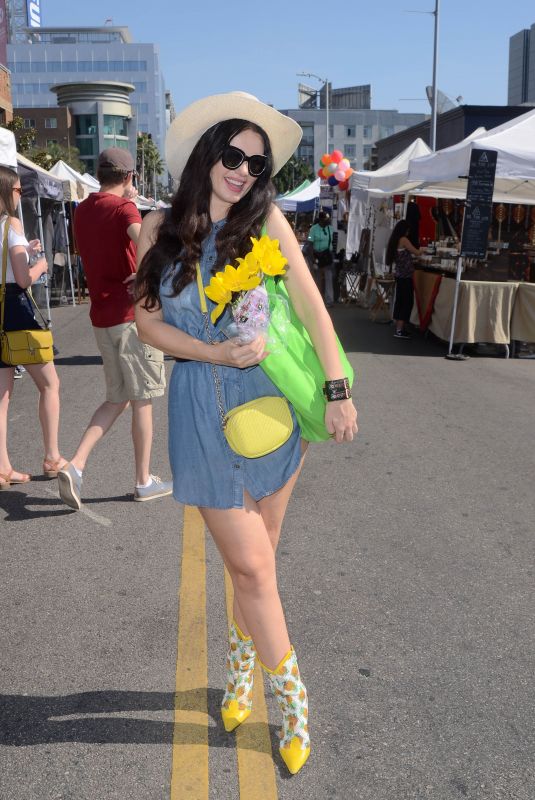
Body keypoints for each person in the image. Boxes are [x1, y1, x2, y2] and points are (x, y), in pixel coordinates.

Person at [134, 91, 358, 776]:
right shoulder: (156, 229)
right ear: (207, 155)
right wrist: (211, 353)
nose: (242, 171)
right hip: (201, 409)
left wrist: (337, 388)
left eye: (256, 165)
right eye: (233, 155)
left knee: (251, 568)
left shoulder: (268, 225)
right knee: (254, 569)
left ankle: (239, 680)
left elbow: (315, 308)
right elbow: (146, 324)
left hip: (269, 413)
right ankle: (292, 703)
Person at [57, 148, 171, 510]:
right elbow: (146, 241)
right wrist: (148, 271)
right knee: (143, 400)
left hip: (102, 317)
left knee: (116, 398)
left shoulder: (84, 210)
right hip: (132, 317)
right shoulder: (125, 210)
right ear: (129, 177)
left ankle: (75, 465)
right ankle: (143, 480)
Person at [0, 166, 66, 489]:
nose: (20, 195)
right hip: (14, 308)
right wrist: (39, 264)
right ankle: (52, 456)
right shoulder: (10, 224)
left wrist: (28, 250)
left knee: (2, 395)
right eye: (17, 191)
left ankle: (2, 467)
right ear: (6, 192)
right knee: (50, 384)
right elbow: (23, 278)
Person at [385, 219, 423, 339]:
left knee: (400, 301)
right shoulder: (404, 240)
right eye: (407, 230)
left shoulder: (395, 240)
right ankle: (400, 329)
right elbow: (416, 252)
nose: (408, 232)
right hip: (405, 276)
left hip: (400, 275)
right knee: (406, 302)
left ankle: (399, 327)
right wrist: (423, 249)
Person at [308, 211, 335, 307]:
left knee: (328, 277)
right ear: (320, 220)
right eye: (326, 220)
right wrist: (312, 258)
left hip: (327, 256)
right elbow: (310, 244)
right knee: (317, 278)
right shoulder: (313, 229)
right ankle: (317, 301)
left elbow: (334, 242)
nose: (328, 221)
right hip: (317, 256)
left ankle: (329, 300)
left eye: (328, 220)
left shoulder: (330, 229)